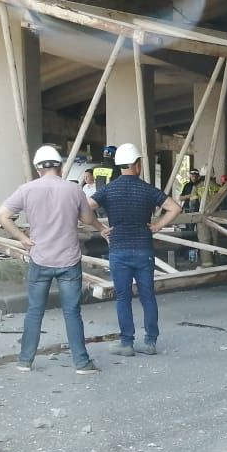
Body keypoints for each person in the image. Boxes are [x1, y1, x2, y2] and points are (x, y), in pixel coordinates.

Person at [0, 144, 104, 374]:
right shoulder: (75, 190)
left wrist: (22, 237)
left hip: (40, 259)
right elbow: (86, 219)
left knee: (35, 311)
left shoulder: (26, 190)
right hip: (68, 261)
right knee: (72, 312)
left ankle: (25, 360)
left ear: (38, 168)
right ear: (61, 167)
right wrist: (102, 227)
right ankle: (82, 363)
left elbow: (1, 215)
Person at [89, 142, 181, 357]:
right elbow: (175, 207)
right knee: (148, 296)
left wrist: (101, 228)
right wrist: (158, 225)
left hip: (119, 250)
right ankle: (150, 342)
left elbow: (83, 207)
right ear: (137, 165)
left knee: (123, 298)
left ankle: (126, 343)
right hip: (143, 249)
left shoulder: (108, 190)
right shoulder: (146, 190)